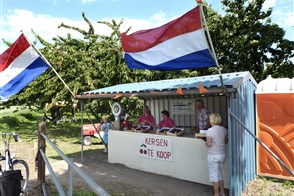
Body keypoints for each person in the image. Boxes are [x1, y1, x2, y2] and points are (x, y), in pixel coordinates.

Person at [205, 113, 228, 196]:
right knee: (219, 174)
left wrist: (205, 142)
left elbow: (209, 144)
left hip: (213, 156)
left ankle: (216, 193)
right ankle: (222, 192)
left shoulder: (209, 131)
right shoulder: (224, 130)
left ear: (212, 120)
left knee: (214, 176)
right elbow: (226, 141)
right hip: (222, 155)